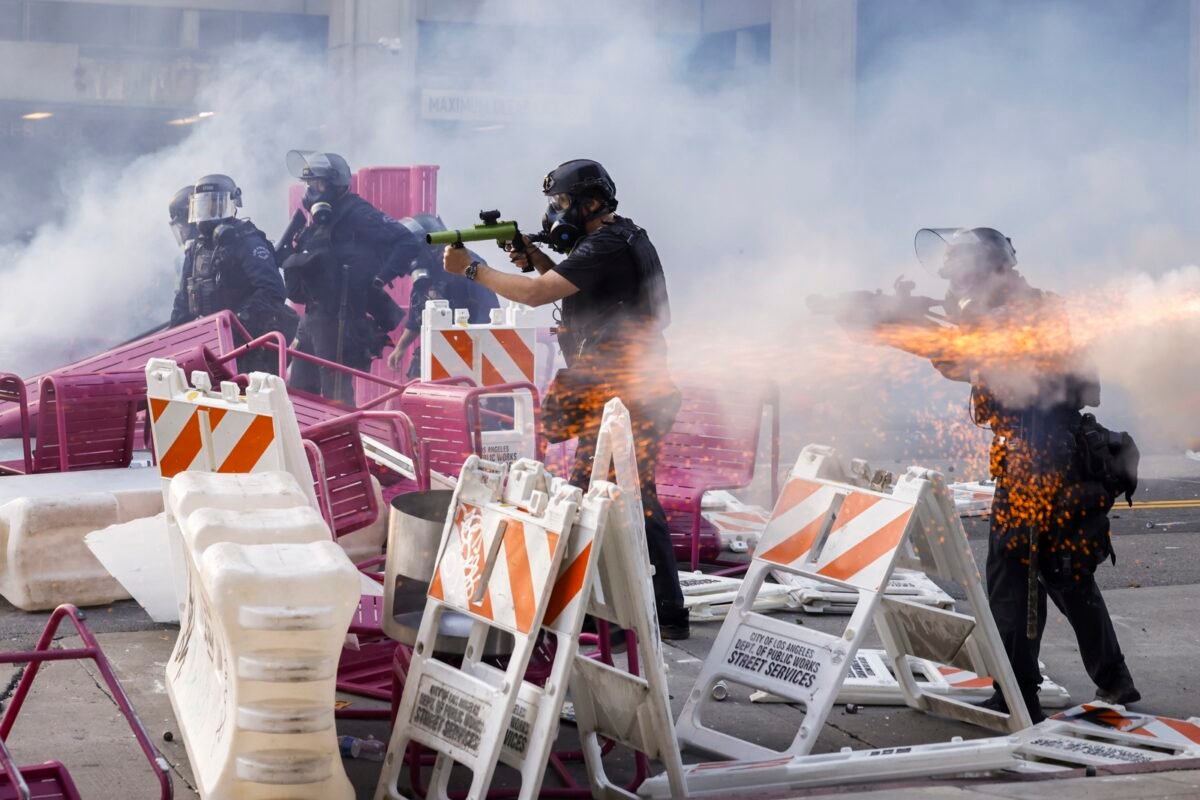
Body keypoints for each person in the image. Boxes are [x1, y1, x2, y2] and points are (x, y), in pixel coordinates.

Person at [888, 227, 1140, 721]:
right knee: (1064, 573)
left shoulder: (1018, 313)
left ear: (986, 271)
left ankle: (1018, 695)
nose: (956, 281)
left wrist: (910, 324)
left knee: (1013, 575)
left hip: (1040, 462)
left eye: (963, 273)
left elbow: (964, 356)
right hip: (1049, 457)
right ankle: (1114, 680)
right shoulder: (1012, 307)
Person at [441, 159, 689, 640]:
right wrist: (534, 256)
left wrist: (473, 269)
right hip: (625, 389)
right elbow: (573, 285)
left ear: (591, 203)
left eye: (562, 203)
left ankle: (624, 612)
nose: (556, 211)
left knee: (598, 496)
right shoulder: (622, 237)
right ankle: (660, 609)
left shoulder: (605, 245)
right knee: (630, 496)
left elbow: (537, 295)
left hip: (626, 393)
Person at [280, 151, 423, 404]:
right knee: (300, 392)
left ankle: (343, 441)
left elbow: (406, 241)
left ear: (335, 184)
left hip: (340, 320)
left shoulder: (358, 213)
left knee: (336, 398)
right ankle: (304, 442)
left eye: (318, 184)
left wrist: (382, 277)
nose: (311, 191)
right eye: (309, 185)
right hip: (313, 317)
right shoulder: (319, 219)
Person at [168, 175, 293, 375]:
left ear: (231, 205)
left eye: (214, 206)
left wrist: (236, 323)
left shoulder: (246, 240)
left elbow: (273, 290)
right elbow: (183, 301)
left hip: (249, 345)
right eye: (202, 206)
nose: (207, 214)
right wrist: (169, 343)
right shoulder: (197, 248)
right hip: (211, 346)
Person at [386, 214, 501, 379]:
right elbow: (418, 314)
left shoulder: (469, 267)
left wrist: (474, 355)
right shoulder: (427, 273)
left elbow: (488, 313)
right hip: (439, 346)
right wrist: (401, 348)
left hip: (473, 348)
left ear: (433, 247)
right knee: (418, 385)